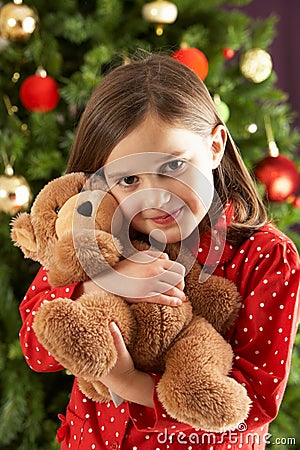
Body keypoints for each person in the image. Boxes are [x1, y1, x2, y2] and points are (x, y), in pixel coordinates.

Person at [19, 53, 299, 450]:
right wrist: (102, 287)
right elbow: (36, 346)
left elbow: (254, 405)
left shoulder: (266, 256)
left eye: (174, 167)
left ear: (215, 147)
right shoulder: (91, 234)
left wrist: (127, 382)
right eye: (130, 178)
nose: (156, 198)